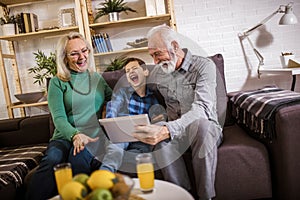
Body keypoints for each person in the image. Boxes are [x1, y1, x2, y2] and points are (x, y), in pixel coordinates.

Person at [132, 25, 223, 200]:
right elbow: (138, 87)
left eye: (157, 54)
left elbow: (202, 109)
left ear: (174, 46)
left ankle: (206, 197)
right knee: (160, 141)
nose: (155, 61)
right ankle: (181, 196)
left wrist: (167, 129)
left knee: (201, 126)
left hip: (205, 130)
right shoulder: (159, 73)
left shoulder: (204, 66)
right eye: (151, 56)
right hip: (177, 133)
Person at [26, 32, 112, 200]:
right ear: (64, 57)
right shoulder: (57, 82)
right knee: (52, 159)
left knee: (78, 159)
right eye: (74, 53)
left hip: (92, 135)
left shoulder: (97, 79)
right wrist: (74, 135)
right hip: (64, 136)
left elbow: (114, 100)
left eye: (84, 50)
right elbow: (58, 118)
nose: (82, 57)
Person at [100, 57, 166, 173]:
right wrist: (112, 123)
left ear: (145, 71)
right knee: (115, 150)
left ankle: (119, 158)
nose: (131, 72)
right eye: (127, 71)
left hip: (142, 140)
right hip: (121, 135)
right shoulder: (122, 93)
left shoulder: (153, 98)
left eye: (134, 68)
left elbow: (158, 118)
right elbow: (113, 106)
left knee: (143, 157)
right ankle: (104, 175)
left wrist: (157, 123)